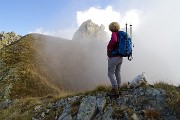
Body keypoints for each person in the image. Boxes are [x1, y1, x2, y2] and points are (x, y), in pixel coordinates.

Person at [107, 22, 123, 96]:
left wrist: (109, 46)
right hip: (120, 57)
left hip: (114, 57)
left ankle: (115, 90)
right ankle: (119, 87)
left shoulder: (114, 33)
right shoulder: (120, 35)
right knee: (117, 73)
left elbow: (114, 40)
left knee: (110, 74)